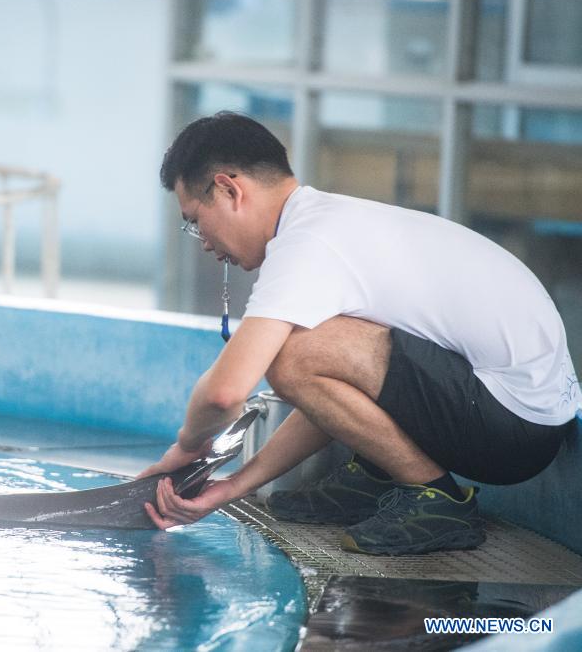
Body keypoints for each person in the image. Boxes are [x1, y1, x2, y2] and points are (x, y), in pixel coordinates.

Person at [139, 111, 580, 556]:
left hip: (513, 425)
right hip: (523, 414)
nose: (204, 242)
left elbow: (225, 394)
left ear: (228, 189)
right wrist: (232, 486)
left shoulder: (308, 244)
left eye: (195, 220)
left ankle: (437, 500)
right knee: (306, 348)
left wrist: (186, 450)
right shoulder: (329, 220)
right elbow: (332, 392)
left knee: (290, 353)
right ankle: (374, 477)